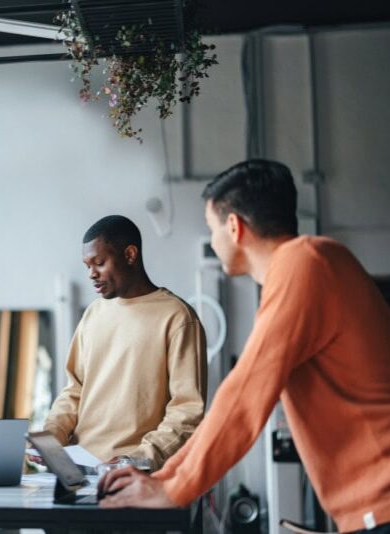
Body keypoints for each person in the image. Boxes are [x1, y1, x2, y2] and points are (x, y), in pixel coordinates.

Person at [99, 160, 390, 533]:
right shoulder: (315, 260)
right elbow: (241, 392)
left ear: (234, 227)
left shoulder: (304, 264)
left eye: (211, 228)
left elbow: (246, 391)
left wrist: (175, 489)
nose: (213, 240)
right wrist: (165, 478)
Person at [43, 215, 207, 470]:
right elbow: (74, 391)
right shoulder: (93, 315)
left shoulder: (177, 317)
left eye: (99, 263)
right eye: (87, 266)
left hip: (137, 474)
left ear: (130, 255)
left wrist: (139, 459)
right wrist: (50, 438)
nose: (91, 274)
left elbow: (187, 410)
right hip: (80, 469)